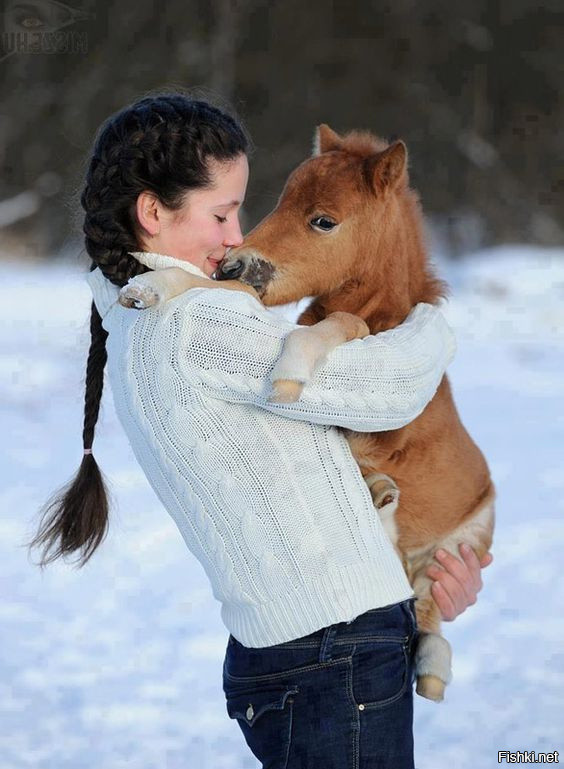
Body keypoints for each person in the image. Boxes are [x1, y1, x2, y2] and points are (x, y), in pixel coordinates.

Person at [30, 93, 492, 768]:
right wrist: (431, 319)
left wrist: (420, 566)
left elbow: (305, 478)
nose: (237, 236)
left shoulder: (145, 316)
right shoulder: (192, 326)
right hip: (331, 658)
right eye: (220, 213)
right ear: (152, 212)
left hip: (315, 653)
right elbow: (386, 387)